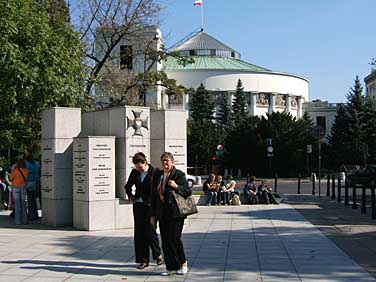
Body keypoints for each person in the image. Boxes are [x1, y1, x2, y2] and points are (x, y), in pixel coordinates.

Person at [150, 152, 191, 276]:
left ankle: (183, 263)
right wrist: (153, 215)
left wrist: (176, 186)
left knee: (175, 239)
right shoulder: (158, 175)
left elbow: (187, 191)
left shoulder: (178, 175)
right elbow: (153, 196)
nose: (165, 163)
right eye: (163, 161)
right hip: (163, 213)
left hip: (176, 213)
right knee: (166, 241)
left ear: (172, 162)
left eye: (167, 160)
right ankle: (171, 267)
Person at [124, 152, 163, 269]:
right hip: (138, 205)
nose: (139, 169)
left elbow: (158, 191)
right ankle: (143, 260)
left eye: (140, 167)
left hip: (150, 206)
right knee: (139, 233)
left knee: (150, 231)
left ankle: (158, 255)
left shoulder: (155, 172)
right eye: (136, 167)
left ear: (145, 162)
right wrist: (131, 196)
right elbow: (128, 186)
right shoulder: (135, 172)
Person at [10, 159, 29, 225]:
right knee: (23, 204)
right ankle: (25, 220)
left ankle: (18, 221)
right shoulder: (26, 170)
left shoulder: (15, 170)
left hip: (15, 187)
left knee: (17, 205)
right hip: (23, 187)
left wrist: (12, 170)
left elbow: (11, 178)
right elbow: (26, 179)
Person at [25, 154, 40, 220]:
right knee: (34, 200)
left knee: (30, 201)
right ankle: (36, 215)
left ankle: (32, 216)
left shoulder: (26, 164)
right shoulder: (37, 164)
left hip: (29, 183)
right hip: (37, 183)